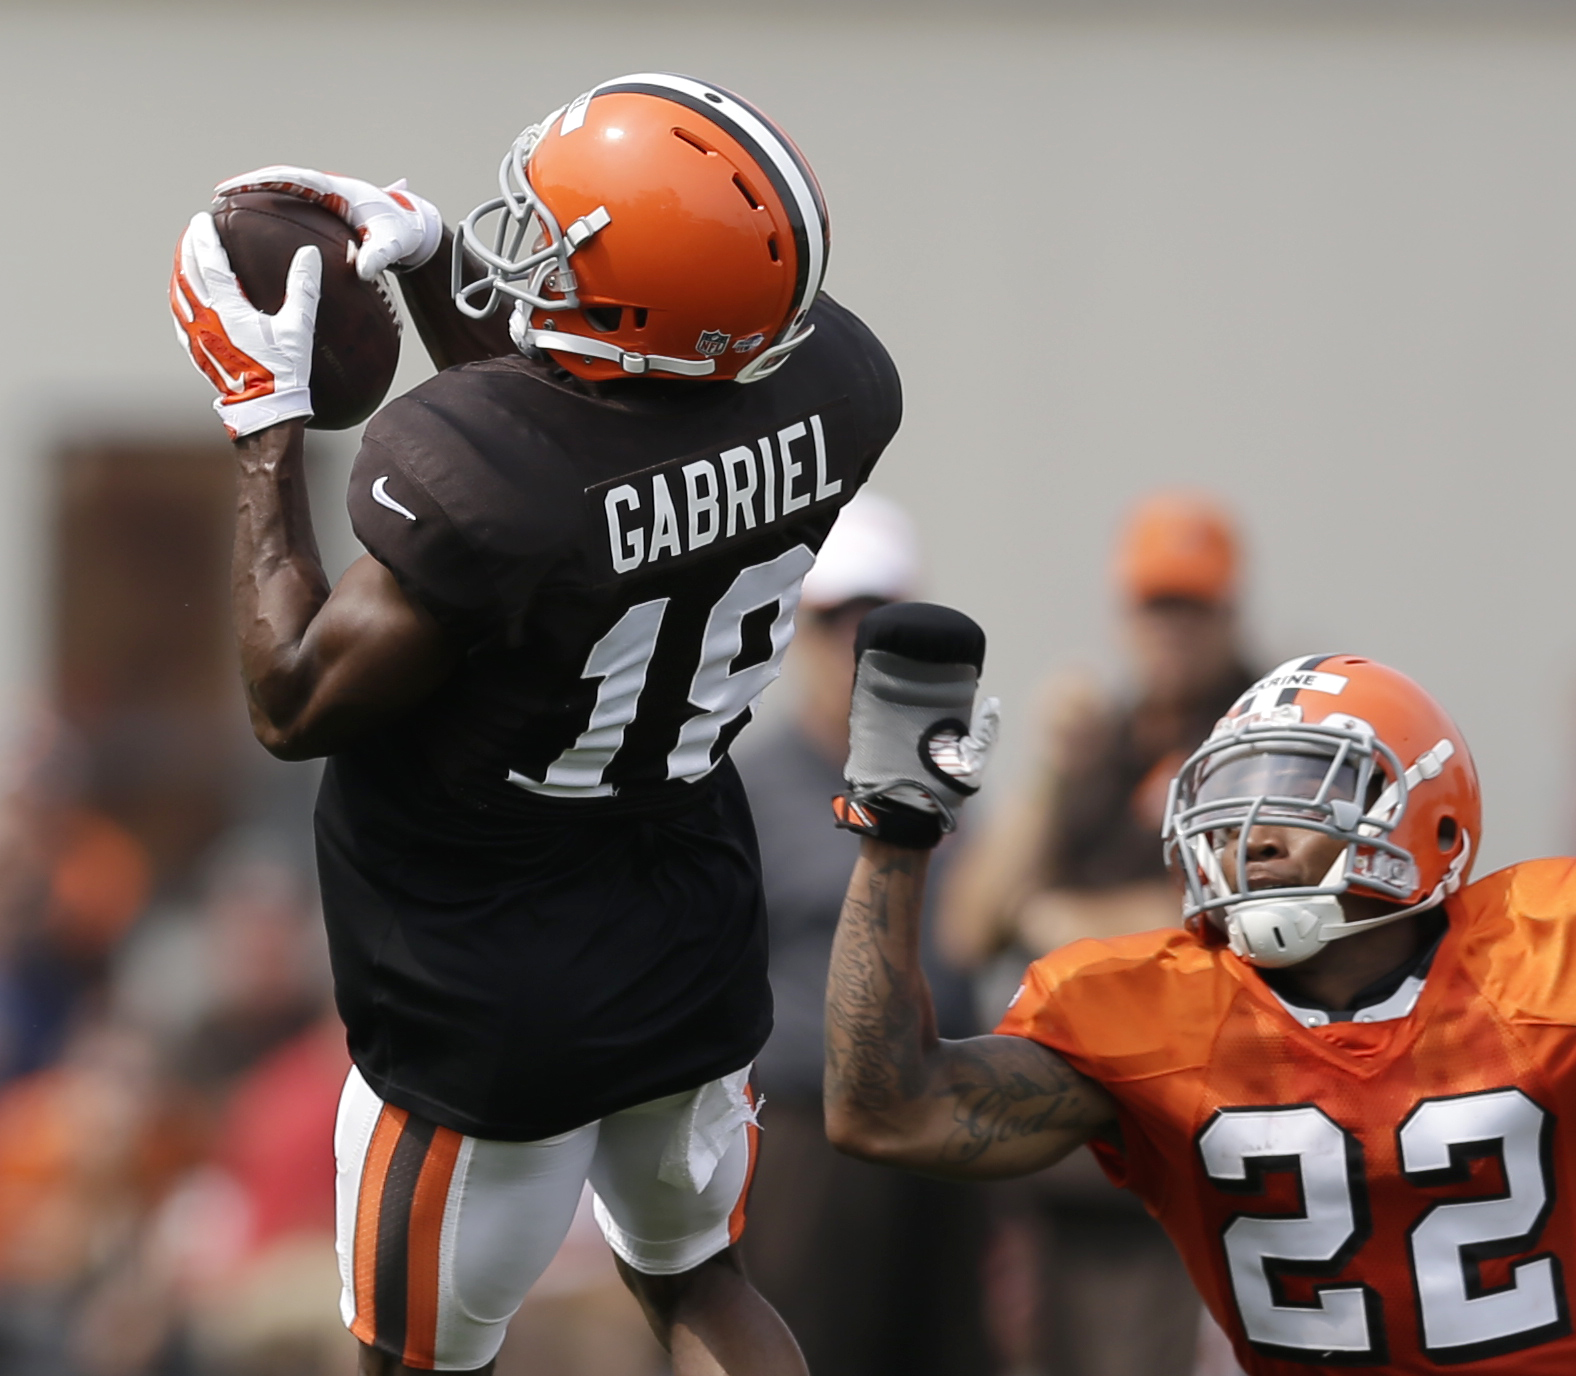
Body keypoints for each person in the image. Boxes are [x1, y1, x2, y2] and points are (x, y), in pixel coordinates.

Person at [166, 72, 901, 1375]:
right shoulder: (838, 389)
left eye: (561, 243)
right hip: (683, 911)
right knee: (700, 1282)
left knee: (415, 1357)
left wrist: (261, 424)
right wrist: (443, 272)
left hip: (484, 973)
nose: (531, 253)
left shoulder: (487, 485)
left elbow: (291, 700)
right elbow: (583, 450)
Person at [819, 604, 1576, 1376]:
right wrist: (894, 839)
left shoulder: (1540, 964)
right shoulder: (1160, 1011)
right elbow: (887, 1107)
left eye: (1301, 790)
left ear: (1420, 817)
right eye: (1238, 794)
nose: (1251, 831)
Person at [937, 491, 1252, 1376]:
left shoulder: (1254, 729)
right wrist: (1048, 767)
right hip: (1063, 1144)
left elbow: (1224, 915)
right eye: (1157, 606)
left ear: (1229, 611)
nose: (1172, 629)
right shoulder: (1102, 744)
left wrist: (1068, 924)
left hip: (1190, 1142)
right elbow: (967, 924)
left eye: (1192, 606)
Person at [732, 491, 991, 1376]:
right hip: (808, 1137)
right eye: (837, 617)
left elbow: (973, 931)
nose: (855, 642)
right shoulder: (751, 787)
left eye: (879, 622)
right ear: (797, 629)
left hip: (936, 1120)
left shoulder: (950, 775)